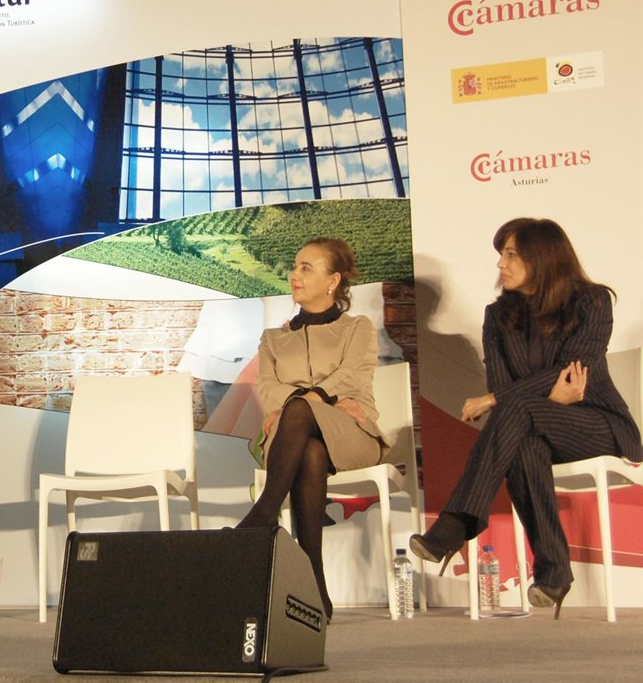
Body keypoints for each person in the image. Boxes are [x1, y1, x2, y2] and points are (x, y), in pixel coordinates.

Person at [409, 218, 642, 618]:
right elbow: (515, 387)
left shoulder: (592, 301)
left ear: (542, 257)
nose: (501, 263)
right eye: (501, 254)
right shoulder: (498, 316)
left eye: (511, 254)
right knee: (524, 445)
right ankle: (554, 574)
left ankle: (457, 523)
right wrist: (539, 397)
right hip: (535, 426)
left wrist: (495, 399)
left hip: (598, 424)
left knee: (515, 411)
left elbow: (575, 369)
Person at [236, 238, 388, 622]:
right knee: (310, 450)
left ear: (333, 280)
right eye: (295, 266)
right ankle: (315, 584)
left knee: (301, 410)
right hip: (292, 438)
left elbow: (351, 375)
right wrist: (307, 405)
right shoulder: (273, 339)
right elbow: (265, 388)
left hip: (352, 431)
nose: (295, 274)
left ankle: (265, 511)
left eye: (306, 268)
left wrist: (307, 402)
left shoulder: (357, 327)